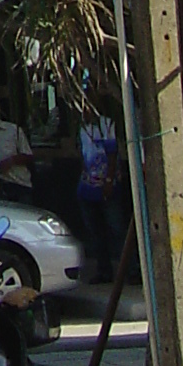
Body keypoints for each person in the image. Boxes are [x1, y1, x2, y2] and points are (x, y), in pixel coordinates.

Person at [74, 108, 122, 283]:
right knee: (95, 232)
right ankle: (104, 271)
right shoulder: (81, 128)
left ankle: (130, 269)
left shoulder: (106, 124)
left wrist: (109, 180)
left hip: (106, 185)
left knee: (116, 228)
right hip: (87, 185)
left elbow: (112, 153)